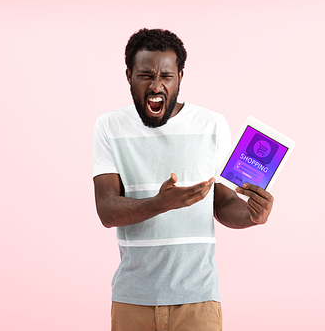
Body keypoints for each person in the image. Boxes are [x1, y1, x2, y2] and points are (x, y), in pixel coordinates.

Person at [92, 28, 274, 331]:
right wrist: (160, 204)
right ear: (129, 75)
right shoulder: (109, 126)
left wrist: (251, 215)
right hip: (132, 300)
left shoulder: (212, 125)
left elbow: (224, 202)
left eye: (166, 75)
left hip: (198, 301)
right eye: (145, 75)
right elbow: (107, 210)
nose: (156, 85)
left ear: (180, 76)